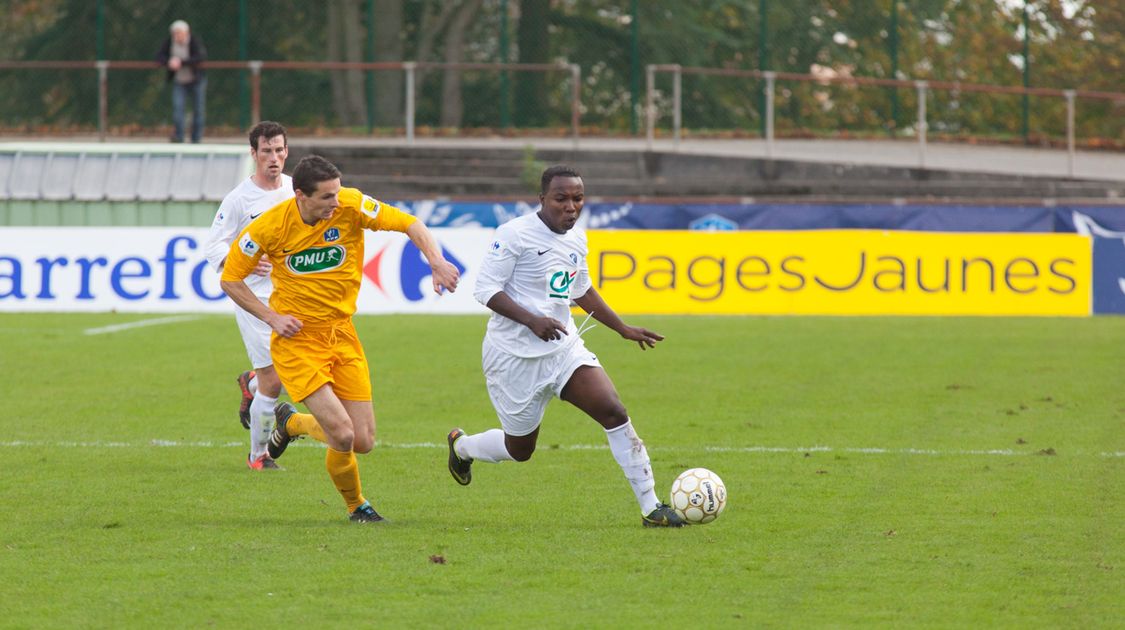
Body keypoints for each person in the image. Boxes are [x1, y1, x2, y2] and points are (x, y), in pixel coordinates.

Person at [220, 154, 461, 523]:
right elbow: (230, 279)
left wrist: (436, 261)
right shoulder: (268, 228)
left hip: (342, 334)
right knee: (343, 435)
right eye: (327, 196)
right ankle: (356, 506)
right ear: (300, 195)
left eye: (337, 192)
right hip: (298, 343)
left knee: (363, 441)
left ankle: (291, 423)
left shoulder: (350, 204)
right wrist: (271, 316)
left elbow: (409, 223)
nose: (337, 201)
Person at [446, 165, 685, 528]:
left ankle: (651, 507)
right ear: (542, 199)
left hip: (563, 350)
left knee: (613, 411)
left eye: (577, 199)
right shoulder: (513, 234)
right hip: (513, 358)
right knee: (519, 449)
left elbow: (581, 290)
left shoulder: (577, 239)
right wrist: (532, 320)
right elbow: (485, 289)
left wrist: (622, 328)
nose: (571, 207)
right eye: (561, 199)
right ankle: (462, 447)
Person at [203, 120, 320, 471]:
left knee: (294, 372)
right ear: (253, 154)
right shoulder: (239, 199)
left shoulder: (295, 189)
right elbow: (213, 247)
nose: (274, 157)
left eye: (280, 150)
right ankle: (259, 456)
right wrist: (243, 261)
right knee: (275, 380)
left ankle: (251, 382)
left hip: (295, 294)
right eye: (266, 150)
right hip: (255, 299)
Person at [155, 20, 207, 143]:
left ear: (186, 33)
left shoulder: (193, 41)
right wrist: (169, 61)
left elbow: (200, 57)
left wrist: (181, 62)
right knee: (178, 109)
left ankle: (196, 139)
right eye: (175, 33)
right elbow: (159, 56)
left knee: (198, 110)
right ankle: (179, 137)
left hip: (196, 81)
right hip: (180, 81)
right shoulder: (169, 43)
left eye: (179, 33)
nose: (177, 36)